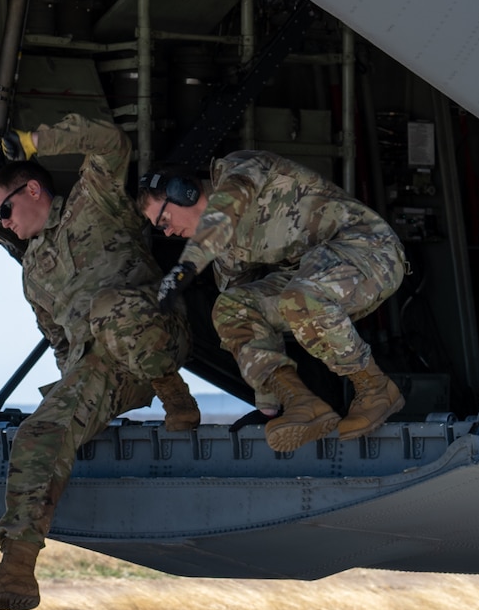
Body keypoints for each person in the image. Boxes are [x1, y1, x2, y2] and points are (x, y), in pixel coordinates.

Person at [0, 115, 198, 610]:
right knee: (41, 433)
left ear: (34, 189)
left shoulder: (92, 201)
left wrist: (31, 142)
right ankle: (17, 570)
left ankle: (176, 395)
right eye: (0, 218)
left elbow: (110, 143)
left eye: (8, 209)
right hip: (103, 367)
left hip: (155, 334)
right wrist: (72, 407)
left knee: (109, 311)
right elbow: (60, 343)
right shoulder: (33, 272)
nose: (6, 223)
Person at [141, 152, 408, 453]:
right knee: (231, 307)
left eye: (164, 220)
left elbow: (228, 205)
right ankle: (298, 402)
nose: (167, 232)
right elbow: (247, 321)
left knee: (302, 297)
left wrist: (187, 266)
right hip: (313, 274)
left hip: (369, 251)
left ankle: (374, 387)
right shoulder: (227, 249)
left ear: (184, 193)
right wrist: (267, 406)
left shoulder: (238, 170)